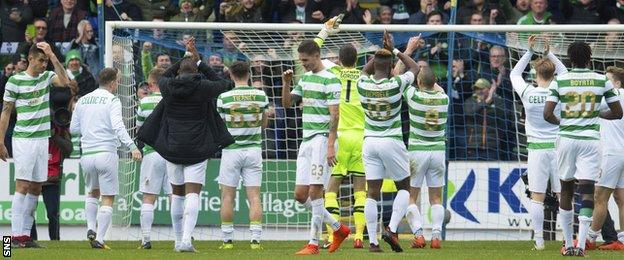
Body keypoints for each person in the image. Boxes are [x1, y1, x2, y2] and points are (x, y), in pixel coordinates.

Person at [138, 38, 234, 252]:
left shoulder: (167, 86)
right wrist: (198, 61)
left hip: (172, 147)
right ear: (196, 71)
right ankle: (186, 241)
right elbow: (225, 83)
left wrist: (184, 57)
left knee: (178, 194)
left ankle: (176, 240)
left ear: (179, 71)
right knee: (192, 194)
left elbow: (164, 75)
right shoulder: (203, 87)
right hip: (197, 148)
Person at [543, 41, 623, 256]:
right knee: (587, 190)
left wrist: (568, 122)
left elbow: (547, 114)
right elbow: (618, 112)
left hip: (567, 139)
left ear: (570, 59)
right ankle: (581, 246)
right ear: (590, 58)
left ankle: (568, 244)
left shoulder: (560, 80)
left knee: (566, 189)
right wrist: (596, 115)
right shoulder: (601, 80)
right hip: (591, 141)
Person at [281, 39, 350, 254]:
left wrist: (330, 144)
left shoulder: (331, 80)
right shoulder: (306, 79)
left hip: (322, 140)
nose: (303, 64)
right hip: (307, 141)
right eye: (301, 60)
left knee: (316, 190)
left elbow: (335, 114)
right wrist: (286, 83)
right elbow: (286, 104)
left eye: (306, 60)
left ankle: (313, 243)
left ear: (317, 56)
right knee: (301, 195)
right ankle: (339, 229)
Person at [0, 42, 70, 248]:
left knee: (37, 187)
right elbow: (5, 111)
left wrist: (52, 55)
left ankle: (25, 236)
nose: (44, 64)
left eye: (45, 61)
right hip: (24, 139)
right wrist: (0, 141)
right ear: (30, 59)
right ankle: (13, 238)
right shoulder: (15, 81)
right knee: (22, 185)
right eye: (41, 60)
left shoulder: (46, 77)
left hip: (42, 141)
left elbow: (65, 82)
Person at [357, 30, 418, 253]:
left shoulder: (361, 84)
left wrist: (378, 54)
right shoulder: (396, 85)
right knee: (404, 186)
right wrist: (394, 49)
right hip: (391, 140)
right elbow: (415, 69)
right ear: (391, 65)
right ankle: (391, 229)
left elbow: (365, 70)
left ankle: (372, 242)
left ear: (373, 65)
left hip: (370, 141)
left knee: (372, 192)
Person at [312, 17, 367, 249]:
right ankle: (358, 236)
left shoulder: (332, 71)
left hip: (339, 136)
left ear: (338, 59)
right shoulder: (365, 78)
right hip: (361, 137)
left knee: (331, 188)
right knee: (360, 189)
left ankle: (329, 234)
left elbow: (313, 50)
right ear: (356, 59)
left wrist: (325, 30)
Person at [510, 35, 567, 250]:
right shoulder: (560, 89)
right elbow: (565, 73)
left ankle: (539, 241)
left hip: (536, 150)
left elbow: (515, 73)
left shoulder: (527, 92)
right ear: (552, 73)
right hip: (558, 148)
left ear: (535, 73)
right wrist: (548, 52)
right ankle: (567, 238)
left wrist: (530, 51)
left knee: (537, 196)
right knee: (564, 194)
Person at [216, 61, 269, 250]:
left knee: (227, 196)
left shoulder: (223, 98)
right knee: (254, 196)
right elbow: (264, 124)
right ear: (249, 74)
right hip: (253, 149)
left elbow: (219, 126)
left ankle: (227, 240)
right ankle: (255, 240)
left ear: (230, 74)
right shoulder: (260, 95)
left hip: (231, 150)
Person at [404, 66, 448, 249]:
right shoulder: (443, 98)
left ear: (419, 82)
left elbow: (400, 79)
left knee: (410, 197)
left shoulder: (414, 96)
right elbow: (437, 88)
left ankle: (419, 235)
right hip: (438, 151)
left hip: (417, 151)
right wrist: (427, 77)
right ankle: (436, 236)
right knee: (436, 198)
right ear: (434, 81)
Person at [586, 66, 624, 251]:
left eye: (607, 80)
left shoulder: (610, 95)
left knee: (599, 197)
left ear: (616, 83)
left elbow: (586, 104)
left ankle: (590, 239)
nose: (604, 83)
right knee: (621, 198)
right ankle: (622, 240)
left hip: (612, 153)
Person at [136, 68, 172, 250]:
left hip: (152, 153)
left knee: (149, 197)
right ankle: (183, 236)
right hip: (173, 154)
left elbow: (139, 131)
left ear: (150, 84)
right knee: (176, 196)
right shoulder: (173, 99)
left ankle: (146, 240)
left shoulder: (144, 102)